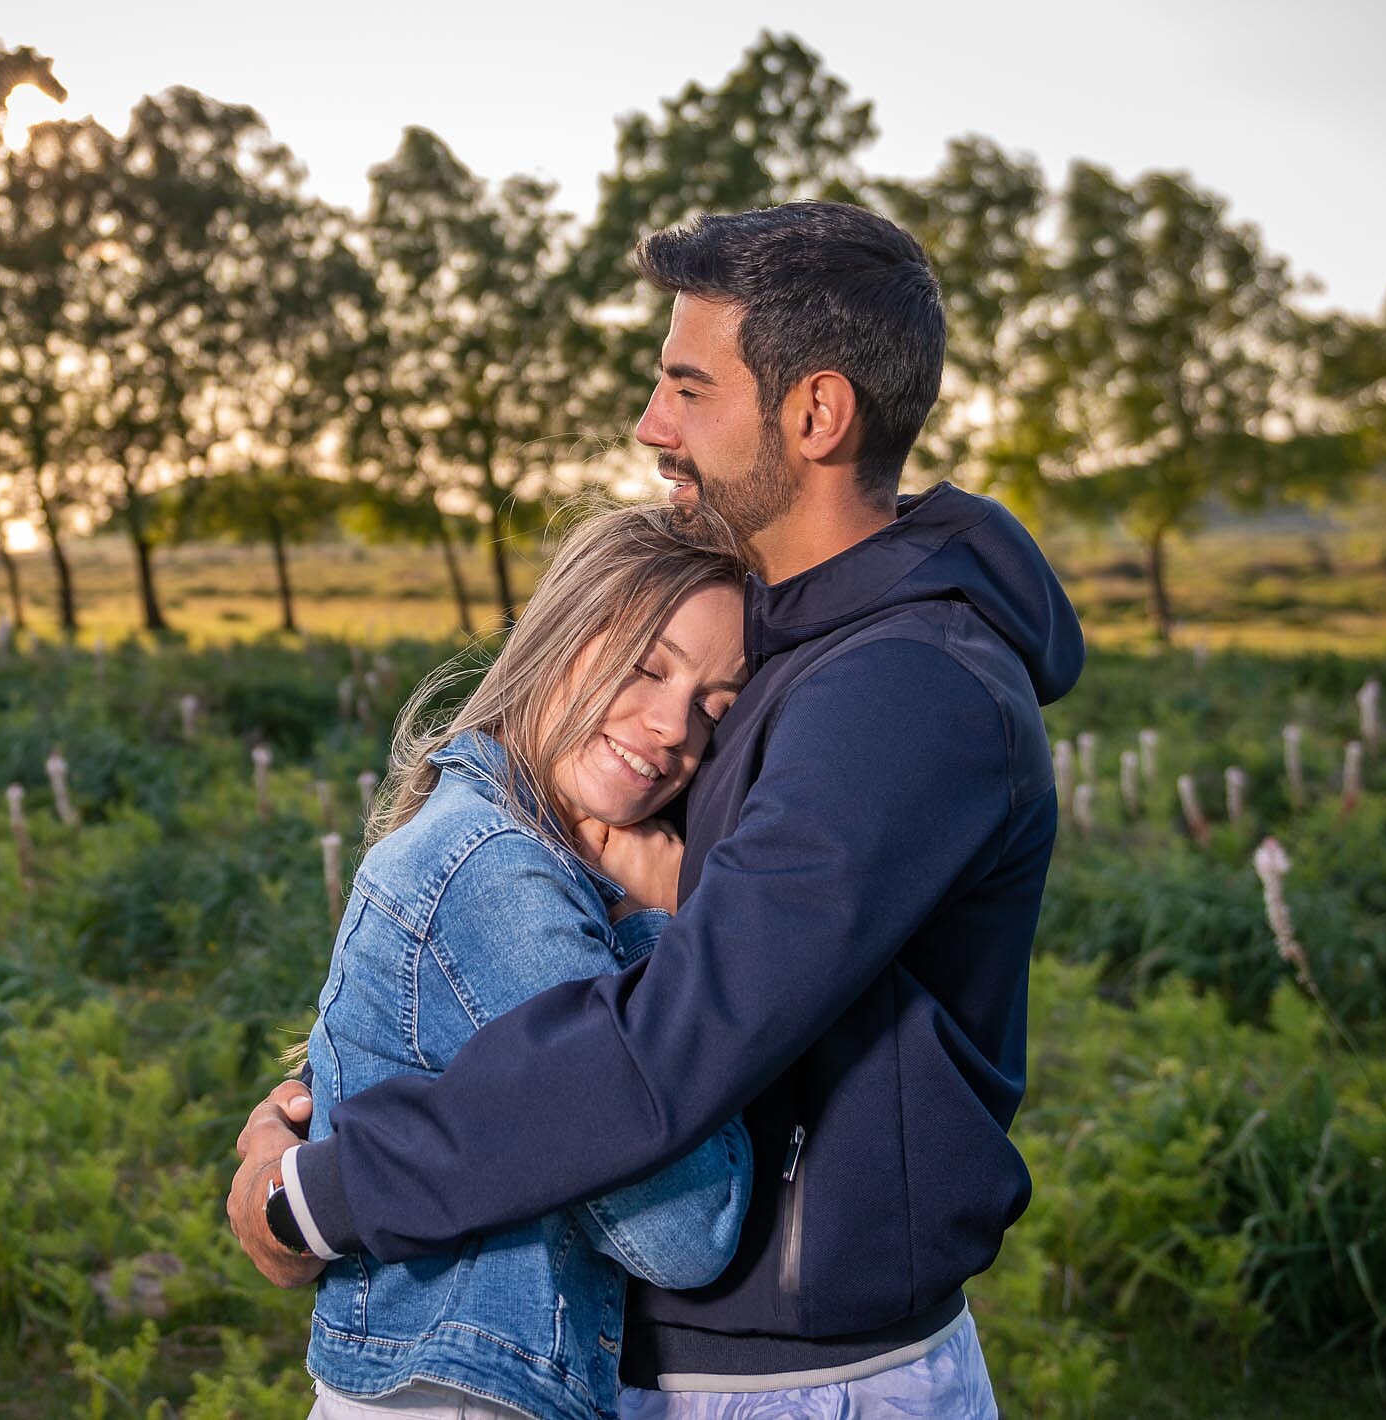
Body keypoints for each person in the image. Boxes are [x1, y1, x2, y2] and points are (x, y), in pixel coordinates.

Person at [229, 200, 1086, 1417]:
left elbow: (665, 1044)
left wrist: (323, 1189)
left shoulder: (897, 687)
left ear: (815, 412)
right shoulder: (786, 637)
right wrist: (333, 1088)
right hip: (661, 1354)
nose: (650, 426)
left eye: (687, 388)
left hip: (796, 1383)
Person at [294, 502, 756, 1420]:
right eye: (646, 667)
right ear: (559, 637)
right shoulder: (499, 874)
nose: (673, 729)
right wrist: (659, 925)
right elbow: (685, 1232)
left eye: (714, 708)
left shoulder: (486, 837)